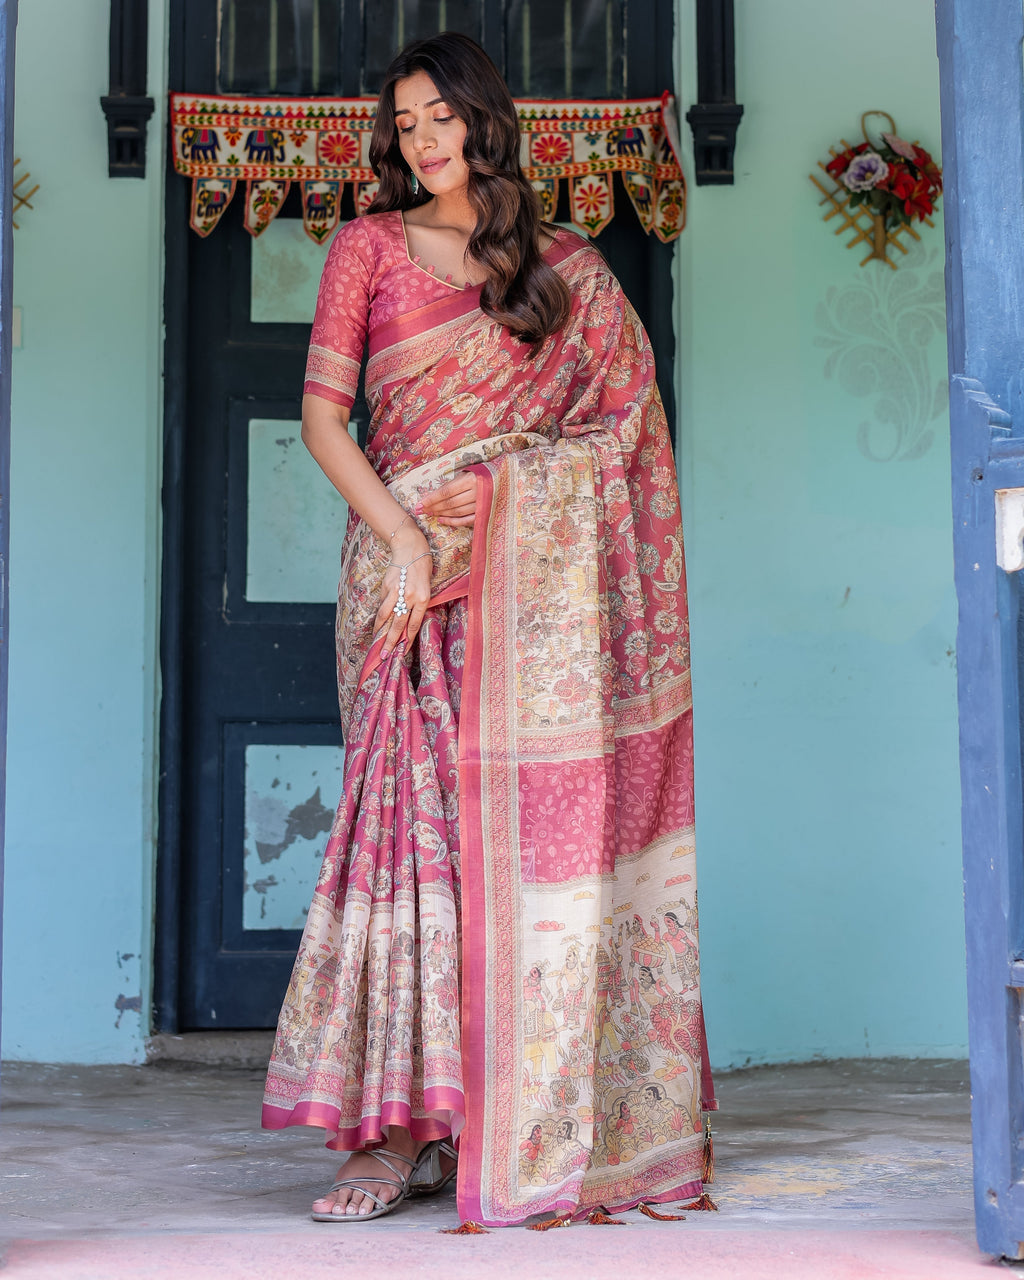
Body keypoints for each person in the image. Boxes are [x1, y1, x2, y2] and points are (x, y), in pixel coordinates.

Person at [261, 30, 715, 1228]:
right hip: (411, 586)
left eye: (439, 117)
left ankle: (510, 1112)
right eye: (403, 122)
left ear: (480, 120)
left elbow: (623, 423)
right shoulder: (366, 247)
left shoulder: (557, 263)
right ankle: (392, 1127)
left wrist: (518, 493)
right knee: (410, 847)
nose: (421, 139)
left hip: (534, 597)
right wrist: (407, 537)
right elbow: (322, 421)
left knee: (508, 850)